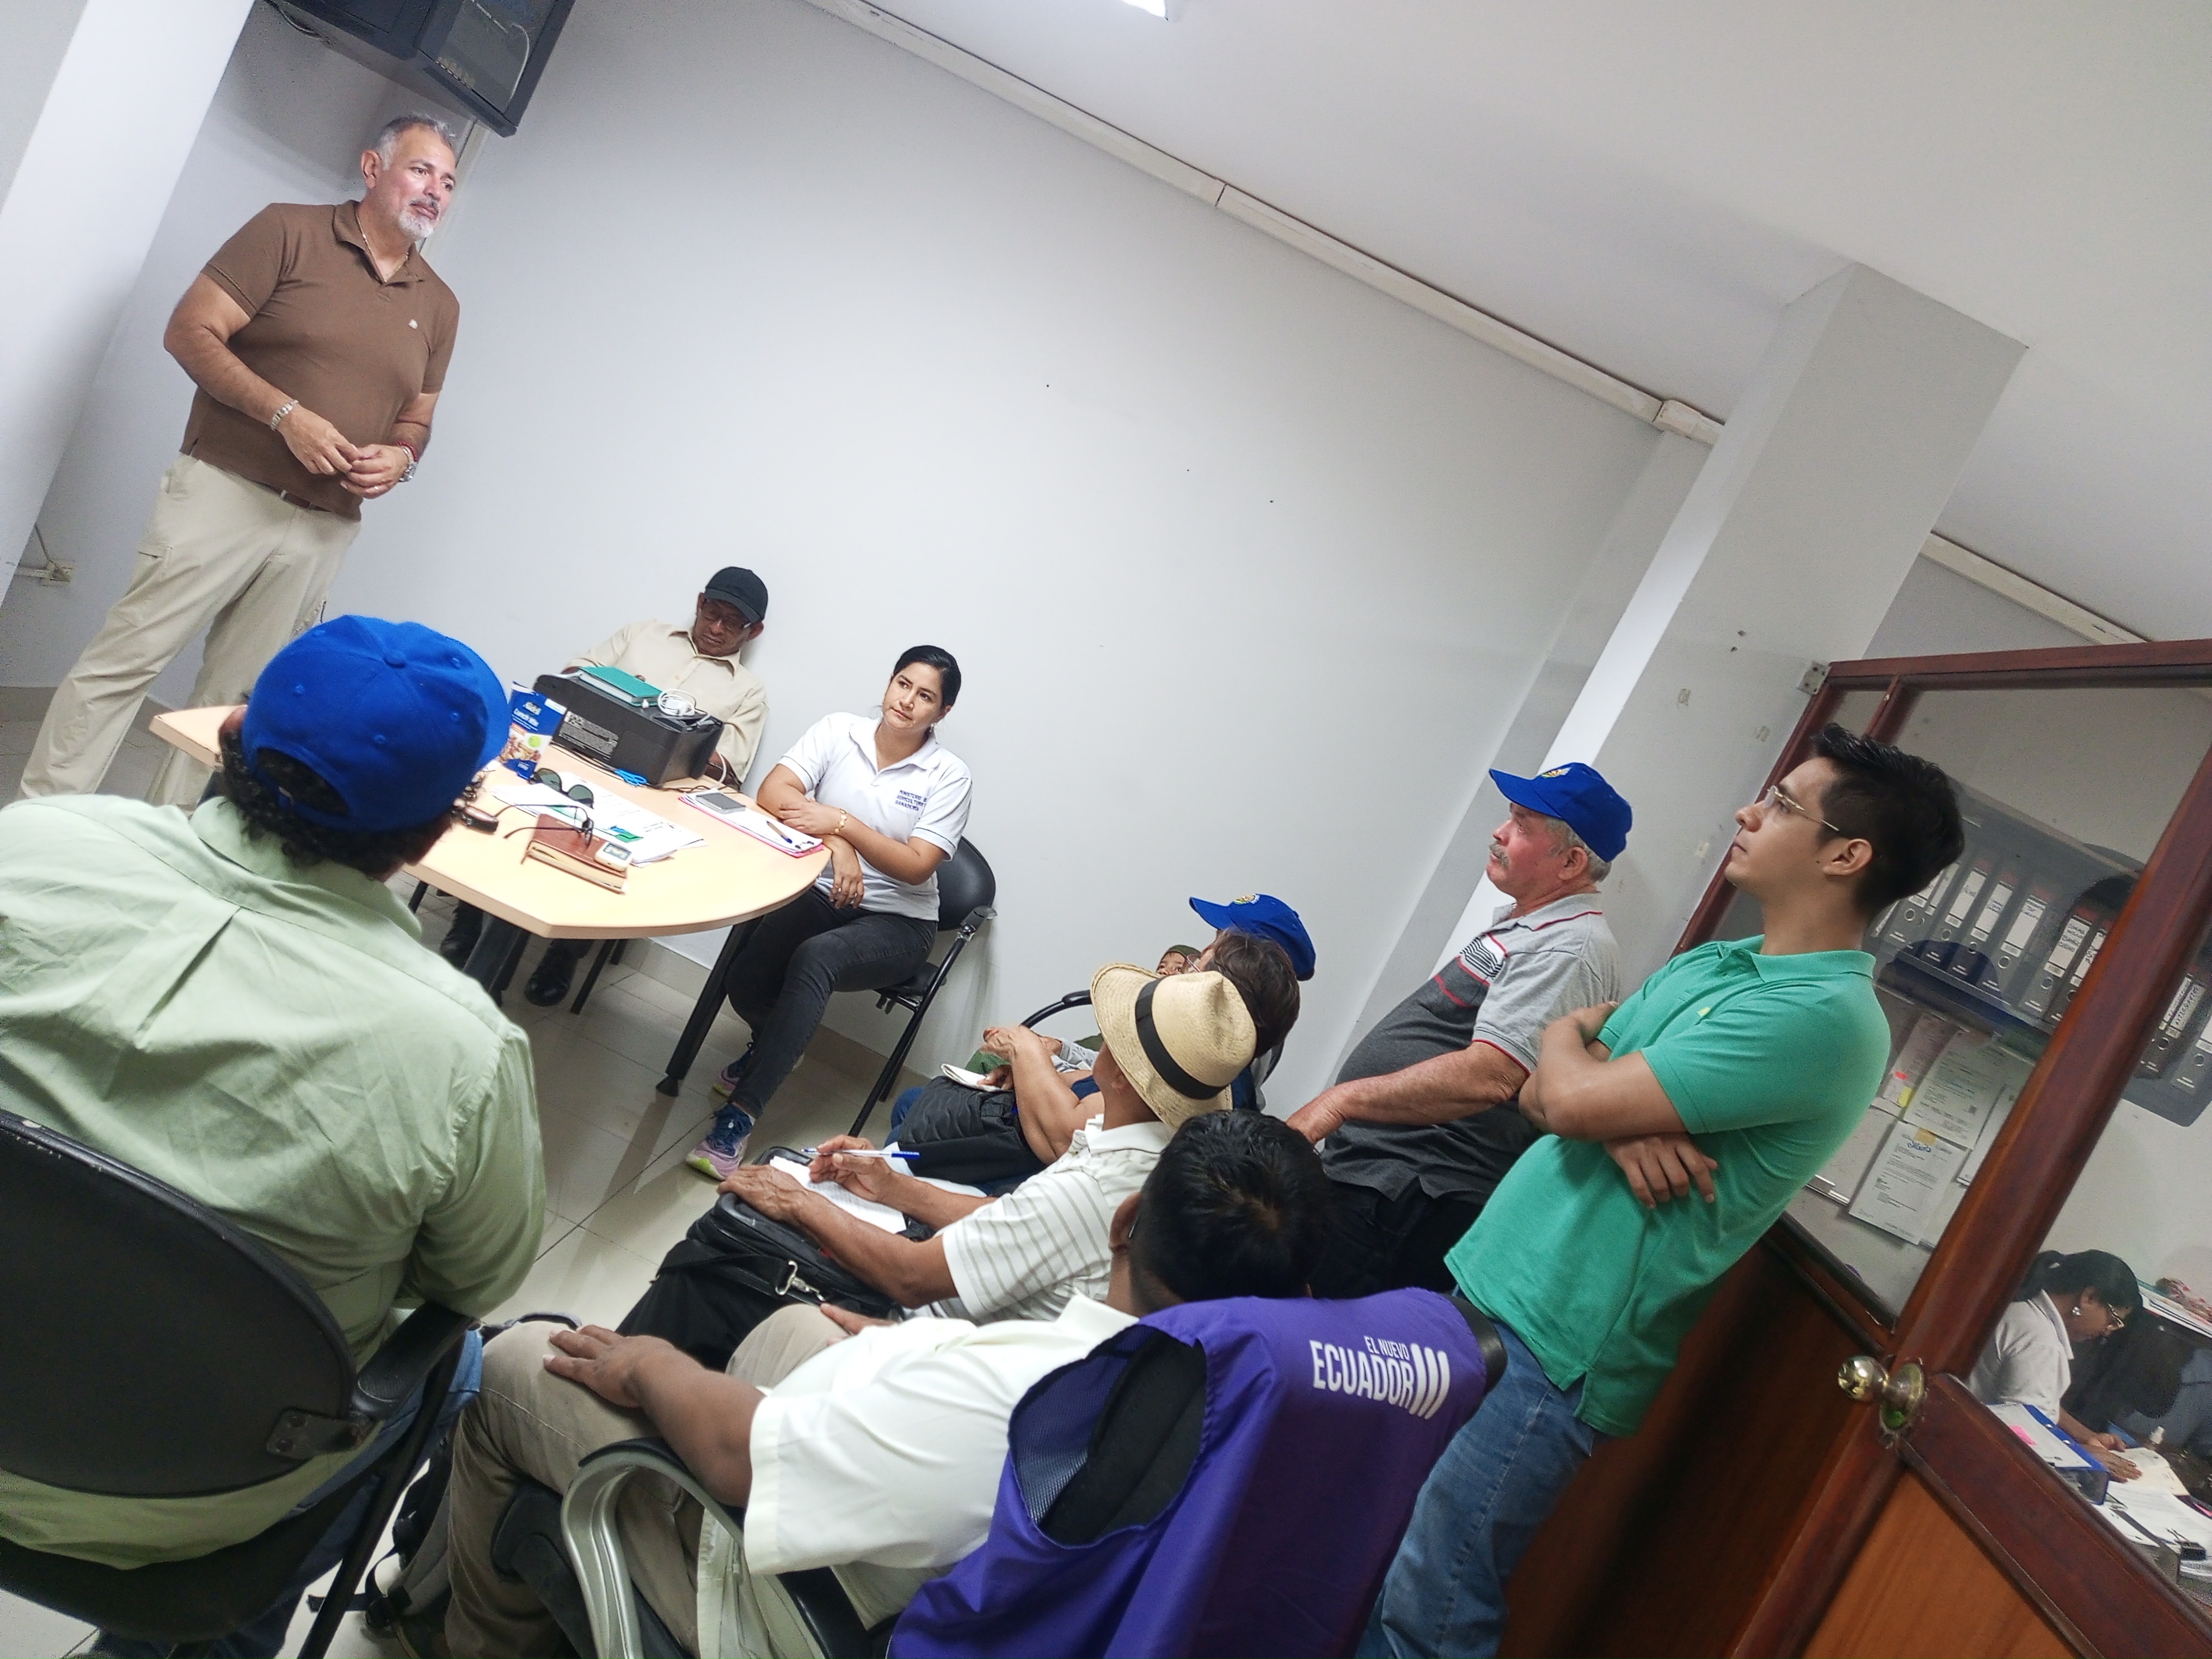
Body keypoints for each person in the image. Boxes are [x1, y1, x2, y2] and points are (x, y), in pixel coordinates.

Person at [0, 616, 543, 1657]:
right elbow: (473, 1278)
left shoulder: (35, 843)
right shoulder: (462, 1052)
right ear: (431, 836)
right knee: (458, 1362)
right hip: (180, 1502)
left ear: (232, 733)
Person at [1360, 724, 1964, 1659]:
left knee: (1428, 1605)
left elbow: (1564, 1092)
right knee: (1378, 1548)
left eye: (1781, 805)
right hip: (1489, 1278)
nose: (1747, 812)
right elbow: (1540, 1094)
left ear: (1846, 856)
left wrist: (1584, 1076)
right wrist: (1594, 1085)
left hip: (1560, 1343)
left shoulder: (1825, 1020)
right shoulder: (1713, 964)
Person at [434, 1110, 1337, 1659]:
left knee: (521, 1359)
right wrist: (901, 1349)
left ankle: (463, 1639)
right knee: (798, 1327)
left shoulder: (1025, 1396)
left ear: (1125, 1220)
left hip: (791, 1607)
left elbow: (736, 1456)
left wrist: (652, 1365)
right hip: (899, 1511)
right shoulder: (1239, 1416)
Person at [20, 115, 465, 810]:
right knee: (125, 661)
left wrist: (402, 454)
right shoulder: (287, 230)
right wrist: (285, 416)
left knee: (235, 704)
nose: (435, 190)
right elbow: (190, 330)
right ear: (373, 168)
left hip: (323, 527)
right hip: (224, 491)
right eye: (420, 170)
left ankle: (173, 843)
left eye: (448, 181)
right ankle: (41, 824)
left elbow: (418, 415)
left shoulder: (439, 304)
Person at [624, 961, 1287, 1371]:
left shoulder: (1098, 1187)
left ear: (1114, 1069)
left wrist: (801, 1203)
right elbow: (1012, 1219)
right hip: (961, 1322)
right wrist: (893, 1186)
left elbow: (912, 1279)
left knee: (720, 1252)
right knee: (767, 1213)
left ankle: (618, 1410)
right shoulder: (1147, 1150)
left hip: (923, 1342)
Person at [1290, 765, 1629, 1298]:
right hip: (1381, 1181)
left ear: (1570, 862)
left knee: (1314, 1335)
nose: (1499, 832)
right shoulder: (1534, 926)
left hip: (1409, 1197)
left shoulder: (1570, 948)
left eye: (1522, 824)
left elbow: (1492, 1076)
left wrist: (1343, 1100)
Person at [685, 647, 973, 1177]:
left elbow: (915, 867)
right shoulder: (840, 731)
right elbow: (774, 791)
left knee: (817, 957)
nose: (907, 701)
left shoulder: (949, 775)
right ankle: (775, 1045)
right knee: (747, 973)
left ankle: (738, 1120)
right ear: (890, 682)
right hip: (824, 892)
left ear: (943, 711)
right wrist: (837, 847)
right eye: (903, 684)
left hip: (899, 923)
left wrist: (841, 824)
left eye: (925, 696)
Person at [439, 566, 775, 1001]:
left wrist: (674, 737)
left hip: (646, 793)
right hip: (572, 757)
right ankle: (469, 920)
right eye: (712, 612)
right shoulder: (644, 634)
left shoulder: (748, 692)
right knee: (507, 801)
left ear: (754, 631)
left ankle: (564, 953)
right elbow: (572, 677)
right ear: (699, 603)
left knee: (612, 844)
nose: (716, 627)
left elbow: (728, 769)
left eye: (732, 623)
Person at [893, 904, 1312, 1188]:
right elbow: (1101, 1081)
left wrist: (1026, 1050)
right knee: (920, 1103)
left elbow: (1067, 1139)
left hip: (1041, 1166)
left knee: (911, 1123)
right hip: (1040, 1128)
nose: (1188, 968)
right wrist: (1031, 1069)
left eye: (1203, 960)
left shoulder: (1205, 1066)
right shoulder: (1202, 1048)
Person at [1971, 1248, 2146, 1479]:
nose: (2108, 1331)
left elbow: (2032, 1406)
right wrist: (2080, 1454)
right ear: (2089, 1298)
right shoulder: (2041, 1343)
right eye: (2113, 1320)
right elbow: (2018, 1433)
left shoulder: (2025, 1309)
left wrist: (2086, 1435)